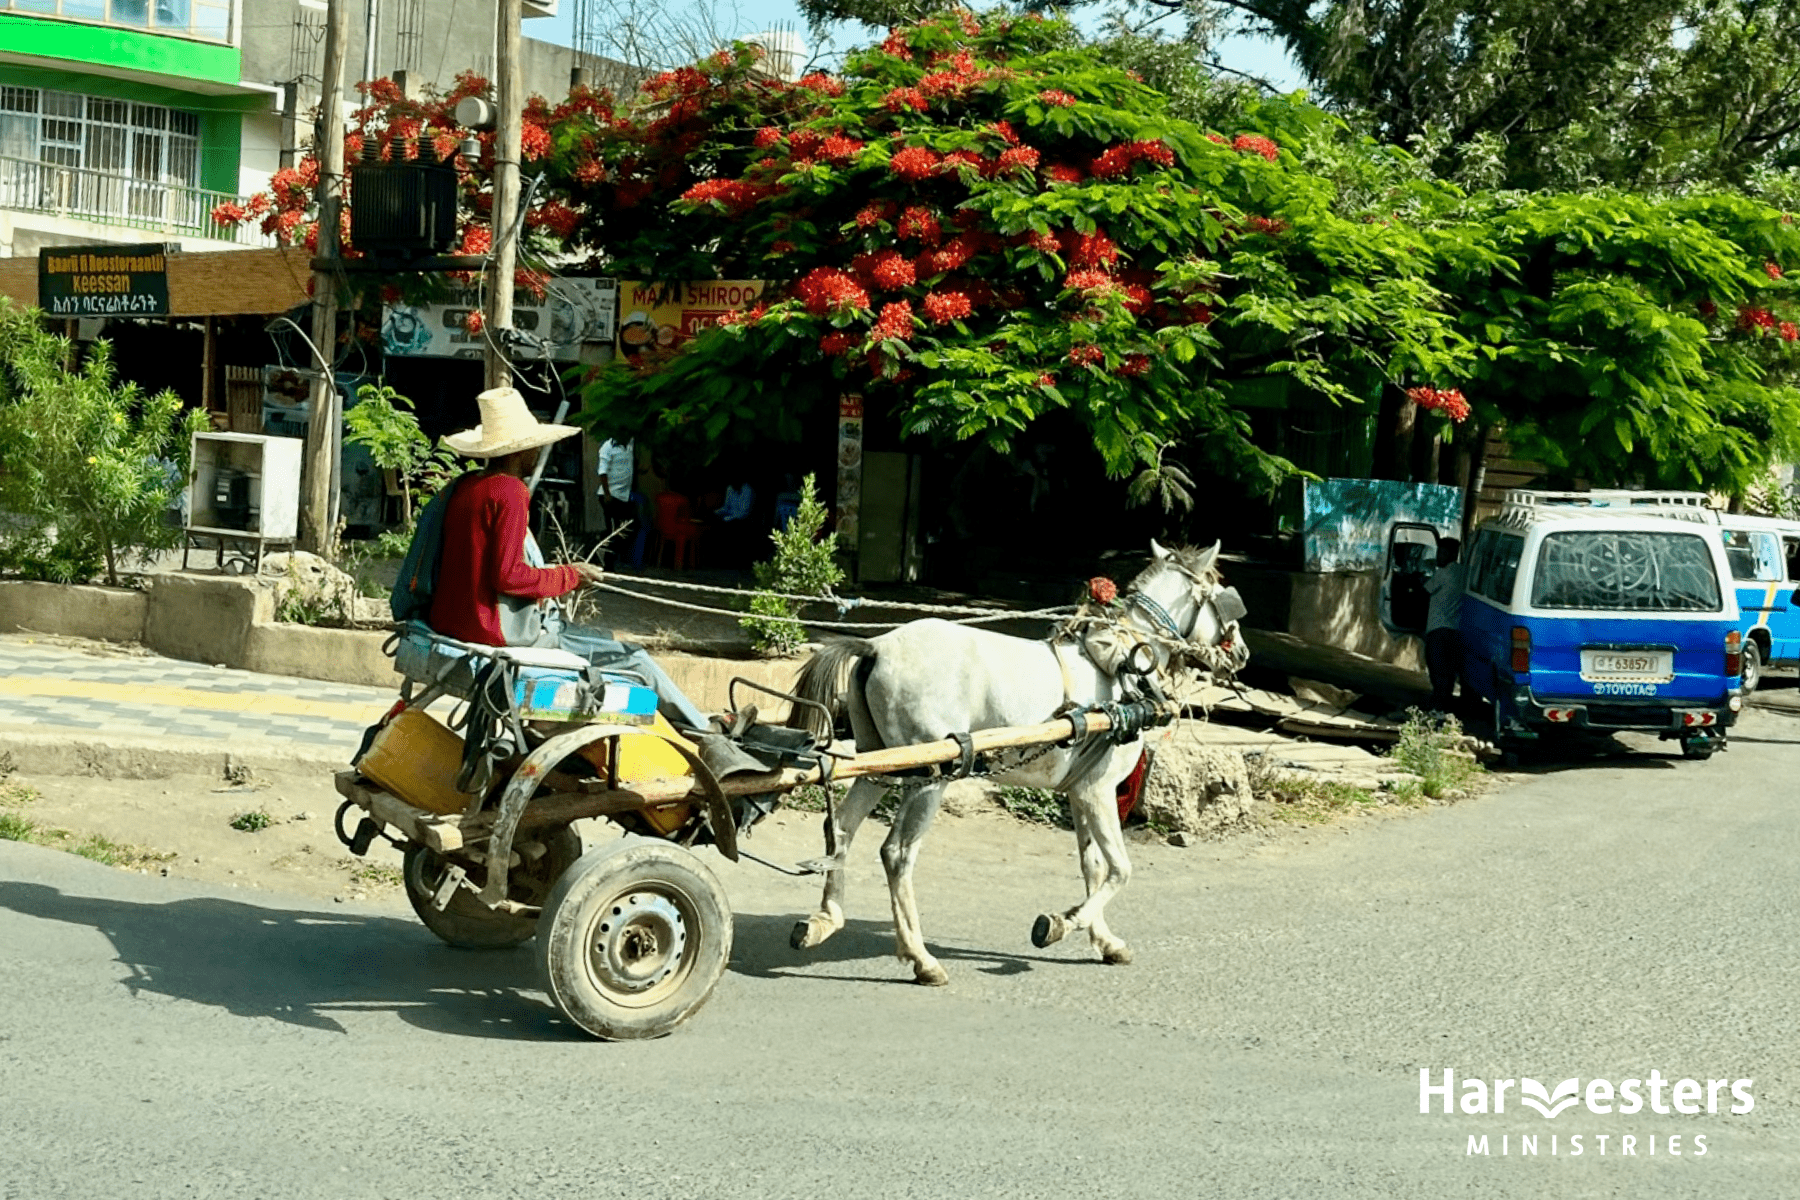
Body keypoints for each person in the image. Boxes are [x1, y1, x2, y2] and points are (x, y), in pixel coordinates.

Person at [427, 388, 708, 730]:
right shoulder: (511, 492)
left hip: (457, 621)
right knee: (635, 658)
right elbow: (509, 576)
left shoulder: (467, 486)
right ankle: (705, 733)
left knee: (601, 640)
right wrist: (569, 575)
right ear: (524, 448)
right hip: (494, 630)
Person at [1423, 537, 1466, 712]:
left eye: (1441, 552)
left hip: (1437, 630)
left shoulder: (1443, 573)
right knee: (1448, 672)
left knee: (1437, 671)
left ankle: (1438, 708)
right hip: (1454, 630)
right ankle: (1443, 706)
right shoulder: (1463, 572)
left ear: (1451, 554)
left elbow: (1425, 590)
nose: (1438, 557)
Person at [596, 433, 636, 539]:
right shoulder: (608, 447)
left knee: (628, 529)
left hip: (624, 495)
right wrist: (607, 494)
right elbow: (602, 472)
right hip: (611, 494)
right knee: (614, 532)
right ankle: (606, 551)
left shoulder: (630, 444)